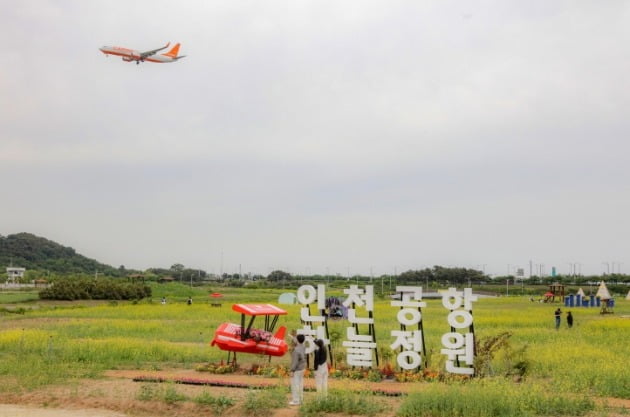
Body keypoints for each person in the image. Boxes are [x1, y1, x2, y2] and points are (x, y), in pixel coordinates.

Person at [289, 334, 306, 406]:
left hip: (297, 369)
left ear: (297, 340)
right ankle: (300, 399)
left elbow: (295, 362)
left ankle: (296, 401)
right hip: (302, 368)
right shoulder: (303, 347)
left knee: (295, 385)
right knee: (300, 384)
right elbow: (297, 341)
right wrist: (292, 337)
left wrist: (292, 370)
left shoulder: (296, 350)